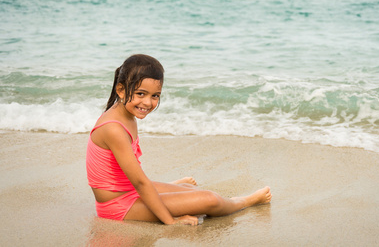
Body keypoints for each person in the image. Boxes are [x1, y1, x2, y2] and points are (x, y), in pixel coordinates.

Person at [86, 54, 272, 225]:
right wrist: (171, 222)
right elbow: (140, 183)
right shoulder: (113, 129)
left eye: (155, 96)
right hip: (118, 207)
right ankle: (246, 200)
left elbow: (133, 180)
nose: (148, 103)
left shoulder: (126, 113)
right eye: (141, 94)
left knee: (193, 191)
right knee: (210, 200)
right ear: (120, 89)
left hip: (130, 191)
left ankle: (175, 186)